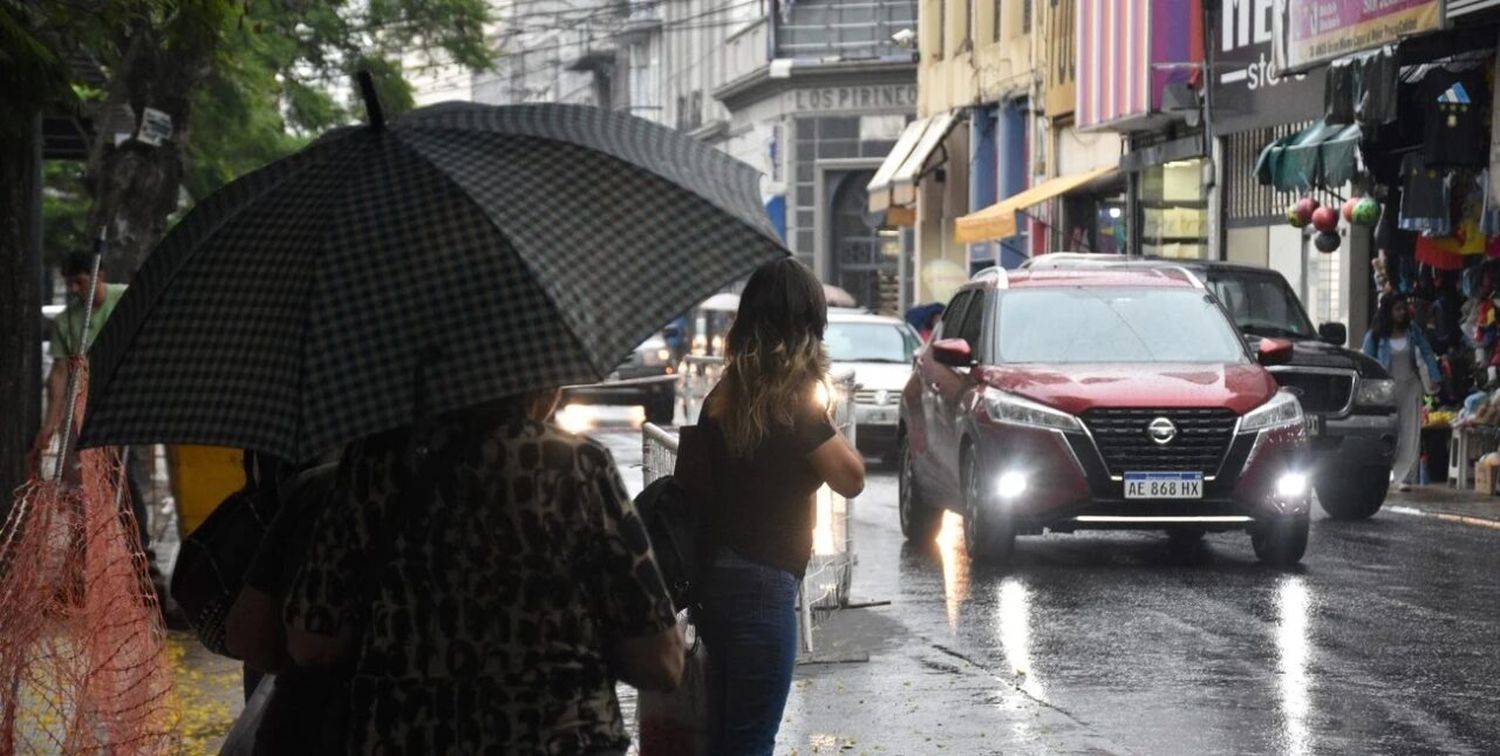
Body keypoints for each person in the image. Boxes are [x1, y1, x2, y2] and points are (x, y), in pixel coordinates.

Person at [283, 390, 685, 753]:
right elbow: (662, 660)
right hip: (560, 739)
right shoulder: (575, 466)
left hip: (405, 738)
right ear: (538, 384)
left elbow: (310, 643)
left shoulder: (373, 467)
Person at [695, 258, 866, 754]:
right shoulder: (795, 402)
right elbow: (852, 479)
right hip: (764, 587)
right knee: (751, 740)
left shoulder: (722, 396)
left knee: (725, 734)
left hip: (713, 579)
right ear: (807, 328)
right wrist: (825, 418)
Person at [1363, 293, 1439, 492]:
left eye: (1403, 308)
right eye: (1397, 309)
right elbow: (1367, 362)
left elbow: (1427, 352)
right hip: (1386, 390)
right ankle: (1384, 471)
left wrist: (1434, 376)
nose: (1401, 312)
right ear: (1388, 311)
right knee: (1389, 431)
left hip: (1411, 386)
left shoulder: (1413, 331)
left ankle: (1404, 476)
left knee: (1410, 432)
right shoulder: (1375, 335)